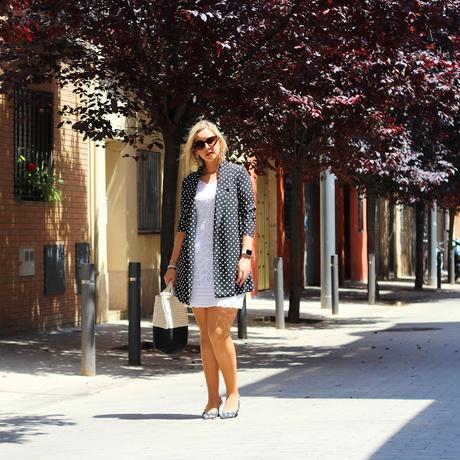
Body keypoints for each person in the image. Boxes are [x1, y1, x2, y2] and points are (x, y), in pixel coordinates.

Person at [164, 120, 256, 420]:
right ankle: (211, 399)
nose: (207, 146)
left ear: (220, 140)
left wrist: (246, 256)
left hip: (228, 263)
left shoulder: (237, 174)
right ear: (195, 150)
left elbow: (249, 217)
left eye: (211, 140)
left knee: (219, 333)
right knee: (204, 336)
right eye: (200, 143)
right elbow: (182, 226)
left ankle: (233, 393)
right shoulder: (191, 182)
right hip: (197, 263)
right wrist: (173, 263)